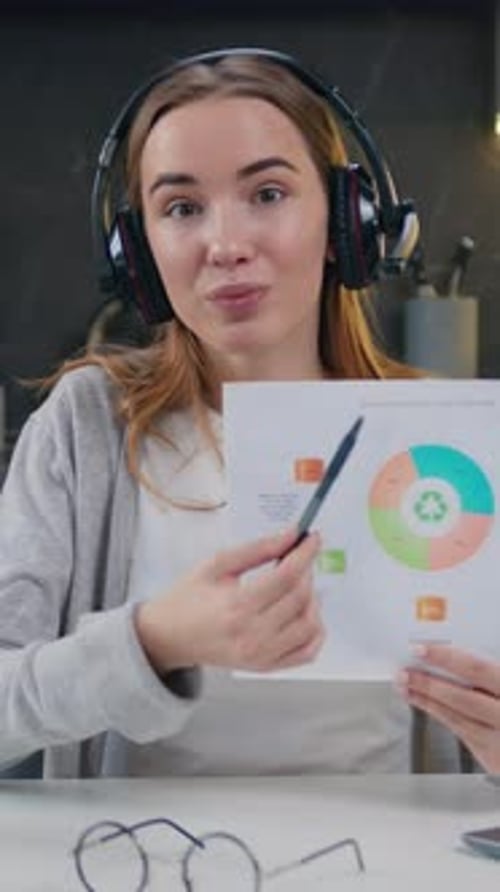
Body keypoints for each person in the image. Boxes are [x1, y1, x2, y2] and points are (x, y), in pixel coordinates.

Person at [1, 47, 498, 780]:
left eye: (267, 194)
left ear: (347, 223)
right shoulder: (86, 429)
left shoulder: (444, 438)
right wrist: (151, 641)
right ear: (139, 254)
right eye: (181, 208)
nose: (226, 246)